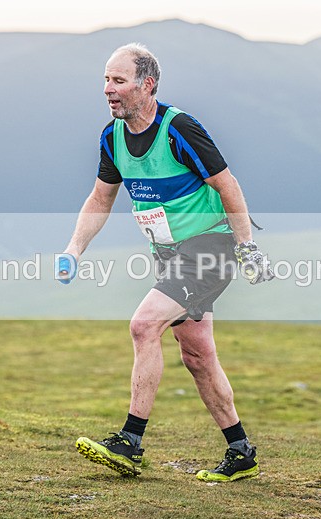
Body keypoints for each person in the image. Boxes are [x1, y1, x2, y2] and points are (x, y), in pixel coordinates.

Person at [56, 42, 273, 483]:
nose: (107, 90)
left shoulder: (179, 128)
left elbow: (227, 184)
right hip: (171, 256)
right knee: (197, 354)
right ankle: (241, 451)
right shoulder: (112, 137)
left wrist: (247, 246)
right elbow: (100, 198)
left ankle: (130, 442)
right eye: (105, 80)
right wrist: (73, 250)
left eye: (118, 81)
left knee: (143, 324)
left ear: (146, 85)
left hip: (211, 248)